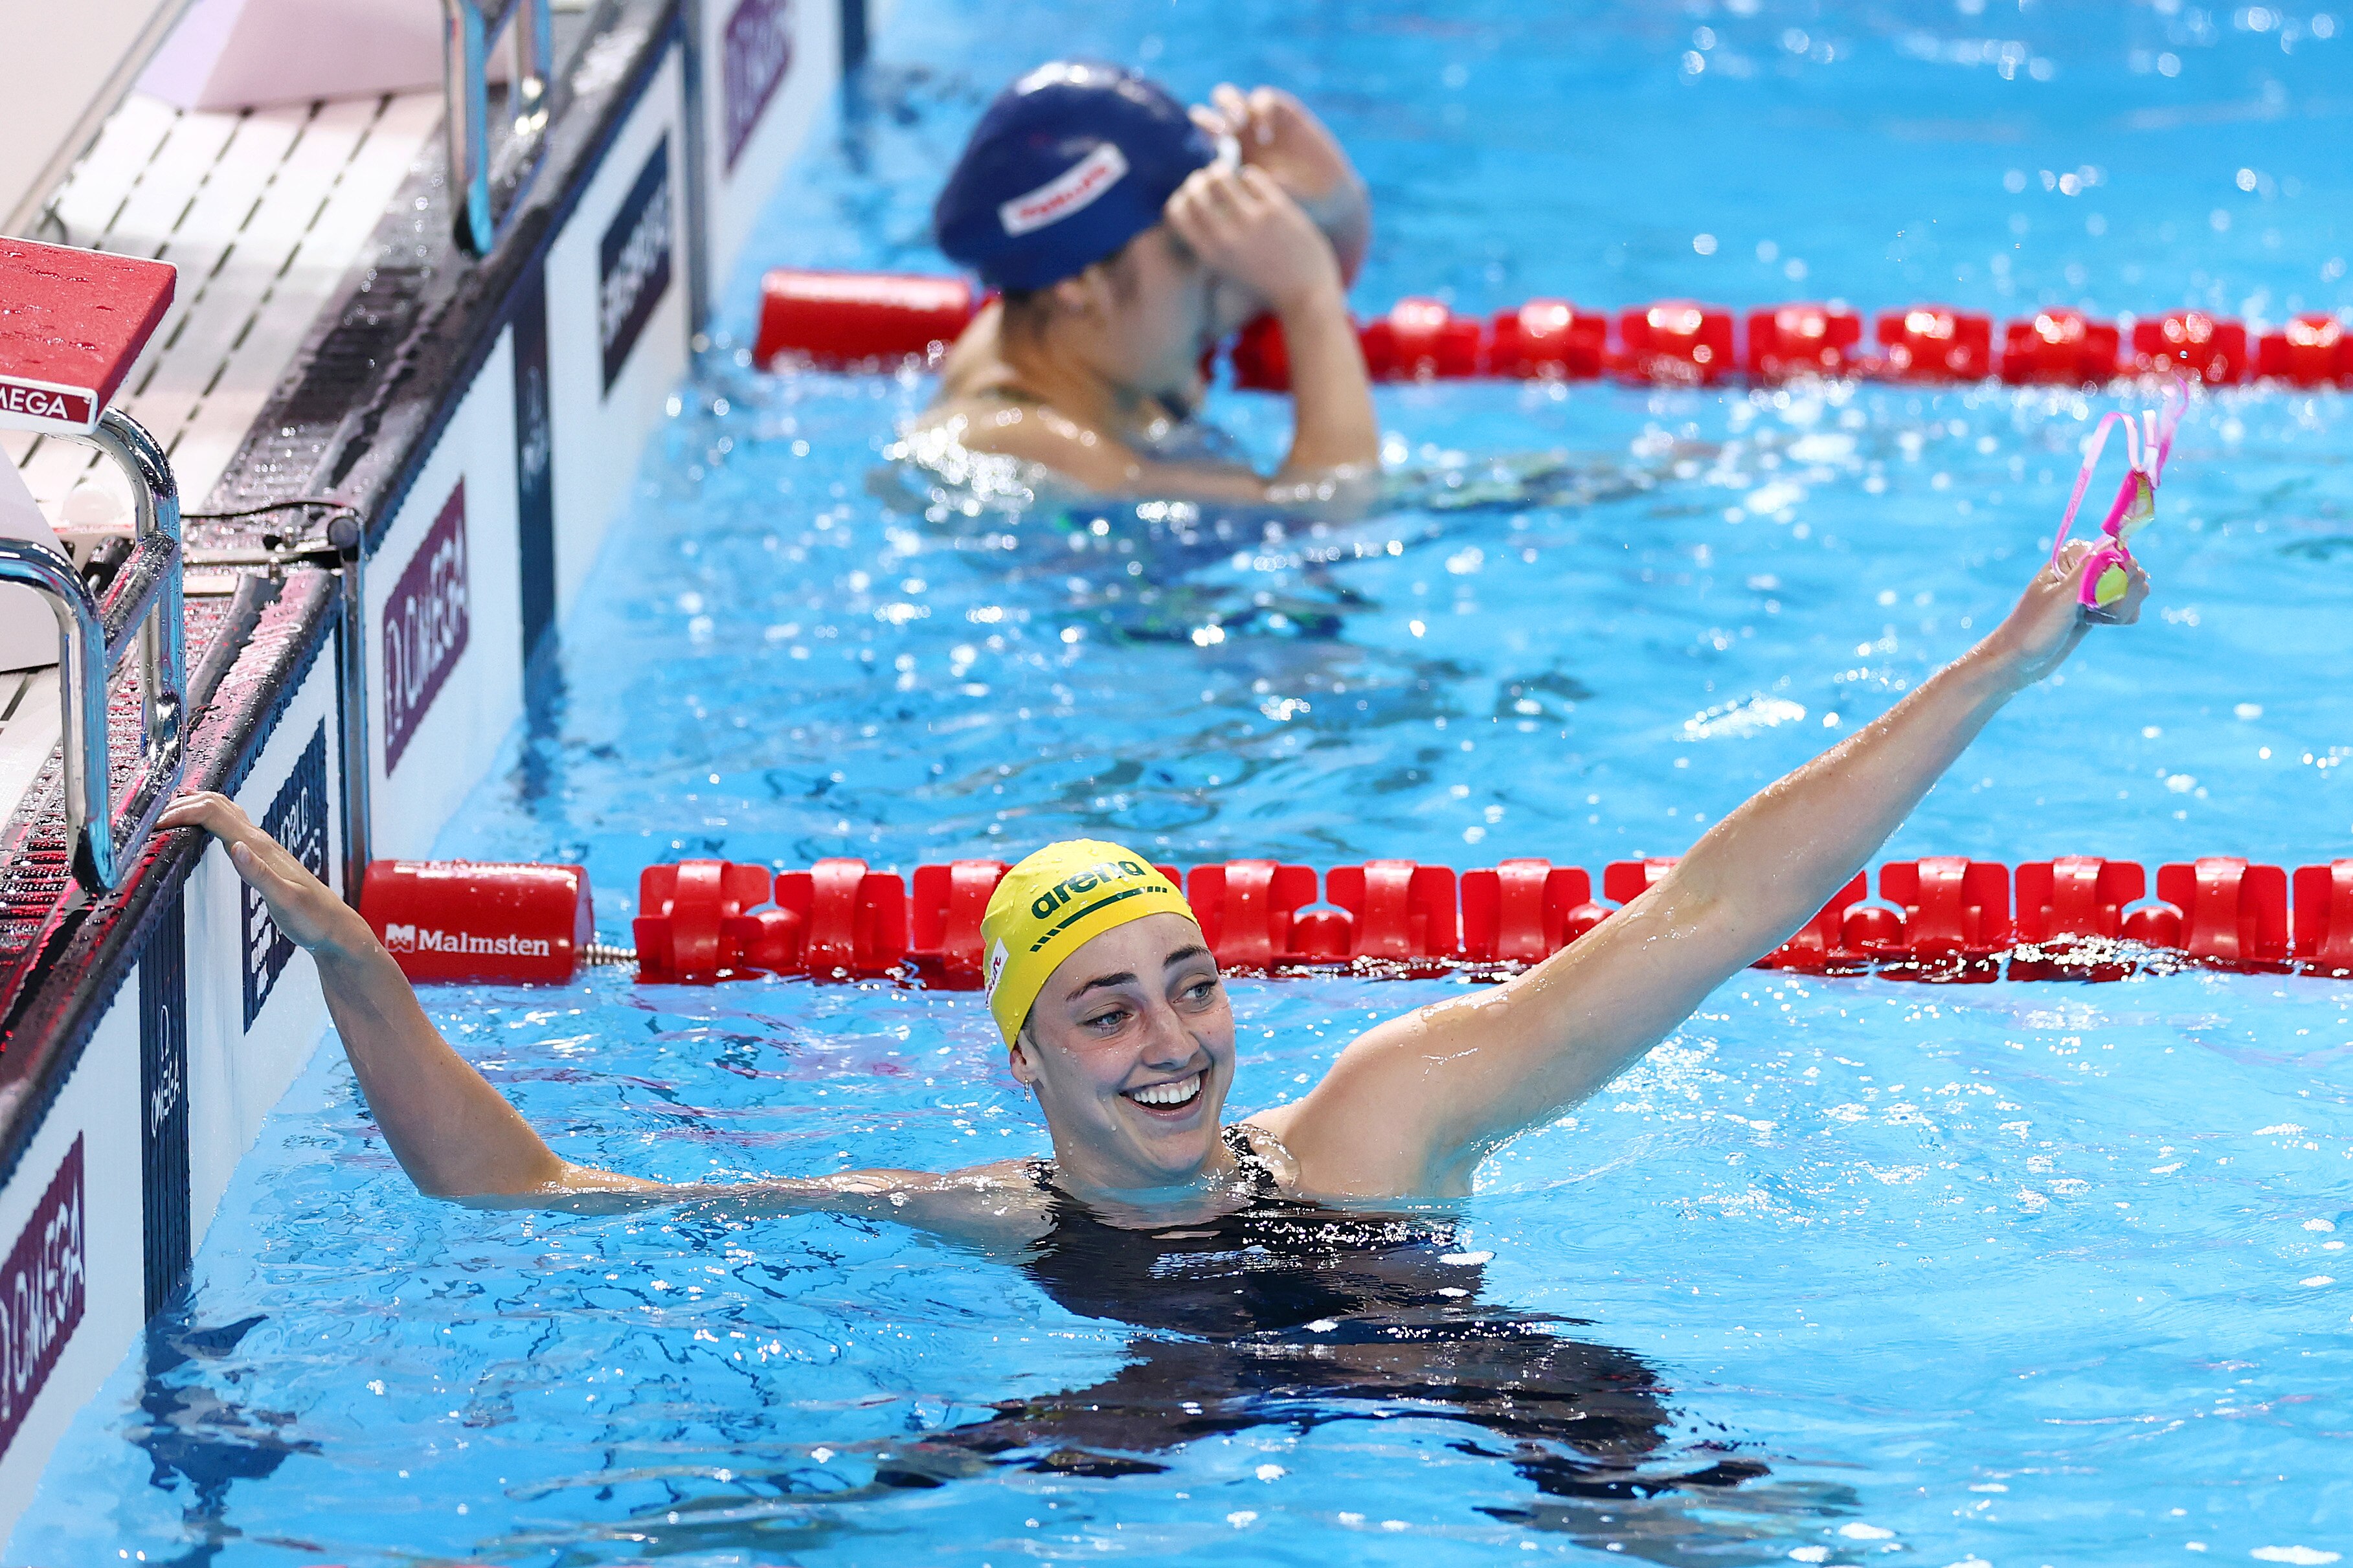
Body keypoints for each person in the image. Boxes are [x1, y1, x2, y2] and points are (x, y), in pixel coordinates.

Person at [156, 543, 2141, 1525]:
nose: (1171, 1038)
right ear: (1021, 1055)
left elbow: (1710, 913)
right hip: (1145, 1448)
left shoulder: (1385, 1117)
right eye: (1103, 1010)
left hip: (1511, 1426)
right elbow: (527, 1193)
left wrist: (2005, 654)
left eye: (1188, 982)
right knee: (817, 1508)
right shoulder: (990, 1216)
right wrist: (352, 961)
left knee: (1693, 1470)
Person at [915, 61, 1380, 505]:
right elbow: (1334, 504)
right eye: (1186, 247)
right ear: (1080, 281)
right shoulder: (1024, 443)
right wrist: (1309, 300)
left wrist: (1336, 206)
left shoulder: (1087, 330)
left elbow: (1291, 274)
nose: (1216, 272)